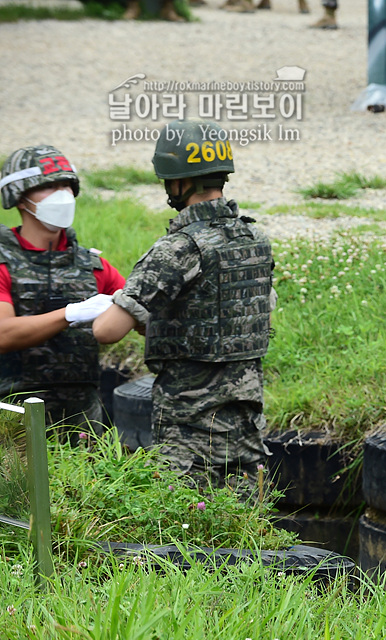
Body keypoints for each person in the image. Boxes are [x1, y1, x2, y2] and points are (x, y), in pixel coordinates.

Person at [93, 120, 274, 494]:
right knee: (246, 537)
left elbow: (106, 331)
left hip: (190, 435)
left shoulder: (179, 248)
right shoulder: (255, 238)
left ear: (178, 182)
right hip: (245, 426)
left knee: (189, 543)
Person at [0, 146, 125, 430]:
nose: (63, 194)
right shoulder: (3, 262)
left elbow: (139, 311)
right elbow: (3, 334)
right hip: (13, 420)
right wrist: (70, 314)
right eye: (50, 186)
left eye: (67, 185)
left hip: (83, 424)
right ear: (20, 197)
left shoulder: (94, 266)